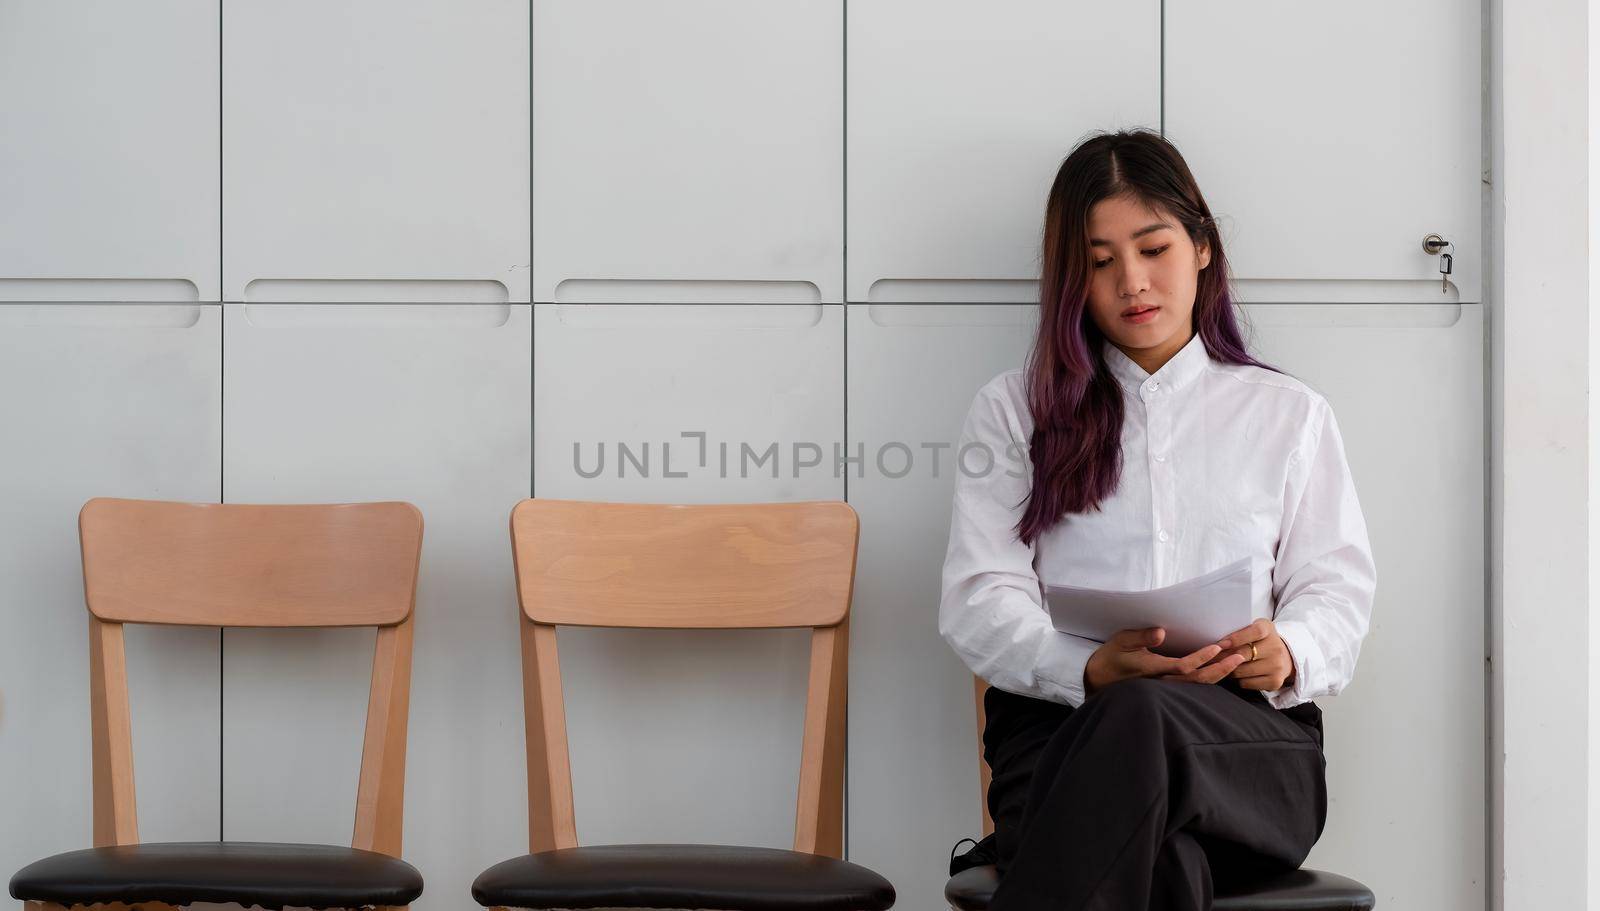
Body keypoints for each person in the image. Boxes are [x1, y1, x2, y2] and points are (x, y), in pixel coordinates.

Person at [938, 128, 1377, 911]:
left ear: (1202, 245)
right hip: (1060, 738)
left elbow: (1335, 592)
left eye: (1153, 248)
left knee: (1141, 725)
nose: (1131, 282)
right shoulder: (1015, 412)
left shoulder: (1287, 414)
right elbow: (977, 598)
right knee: (1165, 860)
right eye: (1100, 262)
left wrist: (1287, 650)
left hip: (1244, 750)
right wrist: (1086, 669)